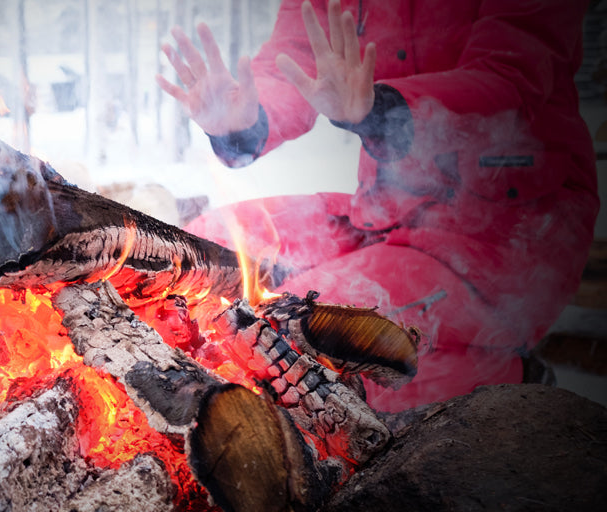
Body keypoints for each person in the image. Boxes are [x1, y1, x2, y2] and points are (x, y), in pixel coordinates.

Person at [158, 0, 599, 412]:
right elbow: (295, 58)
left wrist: (384, 108)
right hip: (384, 213)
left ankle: (506, 384)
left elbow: (514, 75)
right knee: (190, 258)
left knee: (305, 335)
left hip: (509, 231)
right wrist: (246, 119)